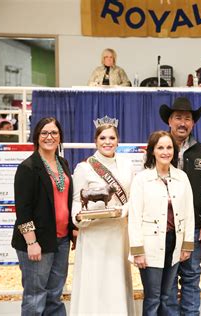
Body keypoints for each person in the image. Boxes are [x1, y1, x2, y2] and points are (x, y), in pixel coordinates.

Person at [70, 116, 134, 315]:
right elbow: (75, 200)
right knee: (94, 279)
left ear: (118, 141)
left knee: (115, 279)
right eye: (103, 138)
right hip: (93, 233)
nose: (107, 142)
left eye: (112, 138)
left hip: (117, 233)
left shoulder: (127, 166)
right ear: (96, 141)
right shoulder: (84, 168)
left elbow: (133, 197)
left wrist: (125, 209)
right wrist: (78, 219)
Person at [11, 117, 75, 316]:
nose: (50, 137)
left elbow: (66, 201)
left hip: (61, 240)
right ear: (37, 137)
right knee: (35, 296)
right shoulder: (28, 167)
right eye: (44, 133)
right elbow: (23, 209)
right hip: (37, 242)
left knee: (54, 296)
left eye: (54, 133)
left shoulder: (62, 163)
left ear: (60, 137)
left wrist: (72, 230)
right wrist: (31, 242)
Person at [129, 130, 195, 315]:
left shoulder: (182, 177)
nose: (165, 152)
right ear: (152, 152)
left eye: (169, 147)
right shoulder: (142, 179)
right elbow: (134, 217)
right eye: (160, 148)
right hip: (149, 245)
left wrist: (187, 245)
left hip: (174, 242)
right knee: (152, 297)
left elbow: (189, 213)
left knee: (168, 297)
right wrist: (137, 250)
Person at [159, 97, 201, 315]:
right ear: (170, 121)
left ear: (193, 123)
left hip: (194, 226)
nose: (183, 123)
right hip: (166, 225)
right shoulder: (159, 148)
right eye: (178, 117)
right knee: (168, 276)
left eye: (187, 118)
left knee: (191, 275)